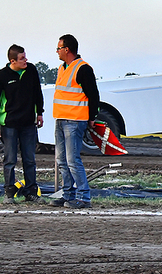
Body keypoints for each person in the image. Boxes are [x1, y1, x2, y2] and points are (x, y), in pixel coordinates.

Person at [0, 44, 45, 204]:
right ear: (12, 61)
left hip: (28, 123)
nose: (25, 60)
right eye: (22, 58)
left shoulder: (31, 71)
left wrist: (39, 112)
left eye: (25, 57)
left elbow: (37, 92)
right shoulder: (1, 76)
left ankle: (31, 192)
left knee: (29, 159)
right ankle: (9, 192)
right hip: (9, 124)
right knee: (10, 159)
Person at [50, 34, 100, 209]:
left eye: (58, 48)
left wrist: (92, 118)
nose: (57, 51)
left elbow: (94, 95)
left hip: (74, 120)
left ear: (67, 49)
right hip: (61, 119)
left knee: (72, 160)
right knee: (61, 160)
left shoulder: (83, 69)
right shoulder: (62, 68)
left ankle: (83, 197)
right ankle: (68, 195)